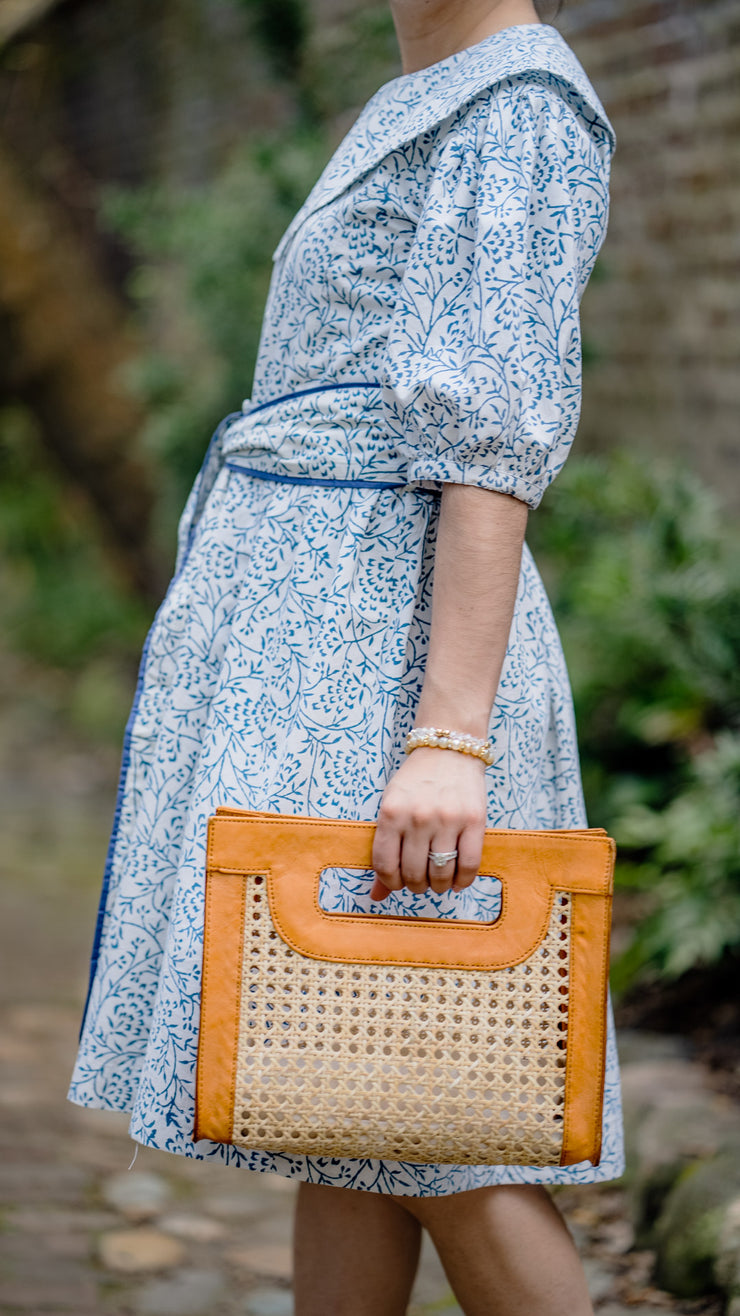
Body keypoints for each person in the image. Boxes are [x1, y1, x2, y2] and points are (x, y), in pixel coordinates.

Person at [69, 0, 624, 1311]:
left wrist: (447, 737)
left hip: (391, 675)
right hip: (332, 660)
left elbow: (490, 441)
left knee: (440, 1114)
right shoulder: (432, 87)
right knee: (348, 1083)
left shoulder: (517, 107)